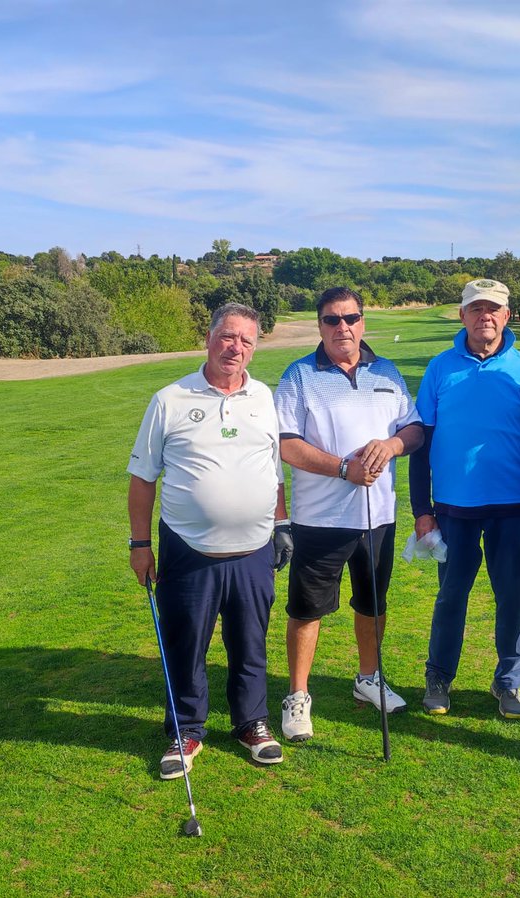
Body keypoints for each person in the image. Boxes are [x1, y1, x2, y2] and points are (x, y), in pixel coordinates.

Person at [127, 302, 294, 780]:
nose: (235, 347)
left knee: (250, 643)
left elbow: (272, 470)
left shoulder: (264, 397)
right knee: (186, 644)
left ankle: (252, 723)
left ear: (254, 348)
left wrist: (281, 524)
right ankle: (187, 728)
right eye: (228, 336)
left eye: (246, 340)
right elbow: (142, 478)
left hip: (255, 549)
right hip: (188, 548)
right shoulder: (170, 399)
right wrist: (140, 545)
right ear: (209, 337)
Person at [274, 287, 423, 742]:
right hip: (320, 519)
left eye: (351, 318)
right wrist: (343, 468)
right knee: (307, 610)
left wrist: (392, 445)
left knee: (373, 604)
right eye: (332, 320)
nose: (343, 328)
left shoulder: (388, 372)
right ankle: (298, 695)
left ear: (364, 322)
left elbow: (414, 429)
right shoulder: (299, 375)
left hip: (377, 516)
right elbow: (285, 442)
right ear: (319, 325)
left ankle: (368, 678)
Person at [409, 278, 520, 719]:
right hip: (454, 510)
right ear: (462, 315)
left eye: (493, 309)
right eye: (475, 308)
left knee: (512, 599)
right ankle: (438, 677)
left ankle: (508, 683)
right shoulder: (440, 368)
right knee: (451, 597)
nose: (484, 316)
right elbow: (421, 445)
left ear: (506, 316)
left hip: (513, 508)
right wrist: (422, 510)